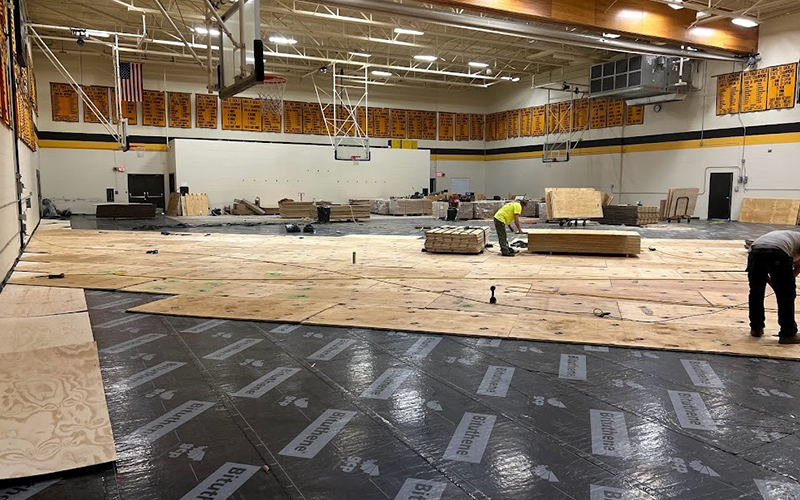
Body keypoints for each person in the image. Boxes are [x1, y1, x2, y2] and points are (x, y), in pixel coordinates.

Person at [748, 230, 800, 344]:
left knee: (756, 292)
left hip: (755, 251)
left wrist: (777, 284)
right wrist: (781, 286)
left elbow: (763, 277)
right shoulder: (796, 242)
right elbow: (798, 266)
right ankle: (788, 333)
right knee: (786, 296)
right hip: (777, 252)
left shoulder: (790, 237)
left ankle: (756, 328)